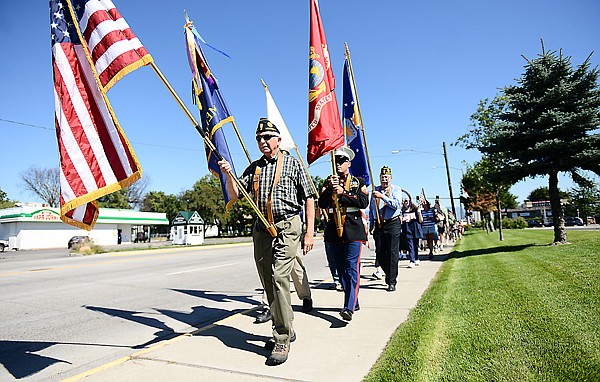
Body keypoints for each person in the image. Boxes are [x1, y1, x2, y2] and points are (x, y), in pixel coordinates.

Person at [218, 118, 315, 366]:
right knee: (267, 280)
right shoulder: (255, 168)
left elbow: (310, 198)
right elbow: (238, 193)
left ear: (278, 140)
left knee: (279, 276)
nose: (262, 142)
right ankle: (286, 325)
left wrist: (309, 232)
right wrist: (229, 174)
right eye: (259, 139)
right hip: (262, 227)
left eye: (267, 137)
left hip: (287, 226)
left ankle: (282, 338)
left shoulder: (292, 165)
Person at [318, 146, 369, 321]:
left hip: (352, 228)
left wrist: (343, 193)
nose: (338, 164)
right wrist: (331, 189)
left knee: (351, 266)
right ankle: (353, 300)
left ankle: (348, 307)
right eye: (335, 161)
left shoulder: (358, 182)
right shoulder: (328, 181)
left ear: (348, 163)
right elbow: (322, 203)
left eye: (341, 161)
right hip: (334, 229)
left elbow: (363, 202)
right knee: (341, 270)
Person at [369, 166, 403, 292]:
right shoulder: (375, 190)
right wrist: (371, 222)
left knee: (392, 252)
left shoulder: (396, 190)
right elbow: (372, 208)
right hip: (379, 224)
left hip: (392, 223)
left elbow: (396, 205)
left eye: (387, 177)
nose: (384, 180)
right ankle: (388, 273)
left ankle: (391, 281)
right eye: (382, 177)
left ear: (391, 178)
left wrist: (382, 197)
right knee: (380, 254)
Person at [401, 197, 423, 268]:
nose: (406, 202)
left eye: (407, 201)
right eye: (404, 201)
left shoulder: (415, 209)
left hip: (415, 228)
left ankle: (416, 258)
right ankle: (412, 260)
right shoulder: (402, 211)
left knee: (415, 245)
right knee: (410, 246)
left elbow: (420, 220)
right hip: (407, 229)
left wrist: (419, 213)